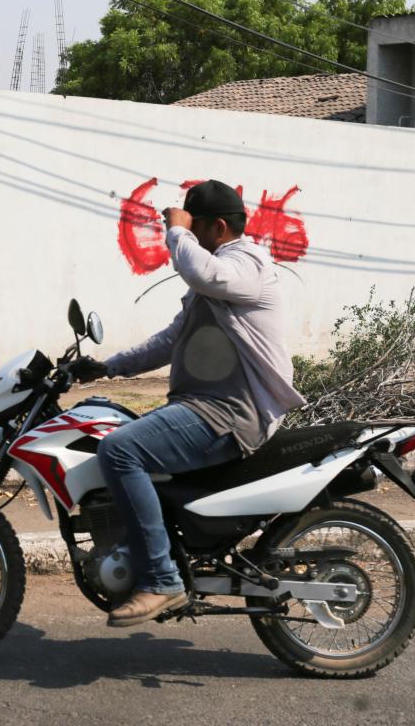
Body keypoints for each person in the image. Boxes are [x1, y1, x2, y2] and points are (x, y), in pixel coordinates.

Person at [73, 179, 305, 627]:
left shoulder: (247, 264)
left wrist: (175, 231)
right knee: (122, 435)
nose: (184, 238)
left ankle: (160, 581)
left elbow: (201, 270)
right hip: (207, 407)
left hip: (230, 413)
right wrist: (107, 367)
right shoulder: (216, 282)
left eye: (193, 229)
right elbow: (169, 341)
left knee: (120, 450)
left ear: (217, 228)